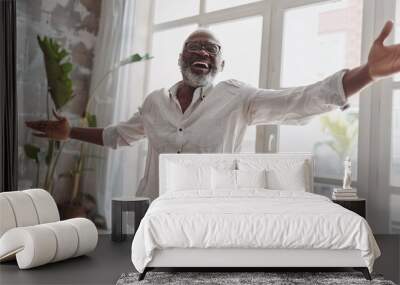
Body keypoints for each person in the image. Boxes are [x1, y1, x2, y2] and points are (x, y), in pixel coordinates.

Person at [26, 21, 400, 200]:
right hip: (153, 211)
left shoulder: (237, 97)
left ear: (221, 63)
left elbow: (298, 100)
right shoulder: (155, 102)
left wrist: (367, 73)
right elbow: (116, 136)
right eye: (195, 47)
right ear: (181, 58)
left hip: (211, 211)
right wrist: (69, 131)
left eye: (212, 50)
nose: (203, 53)